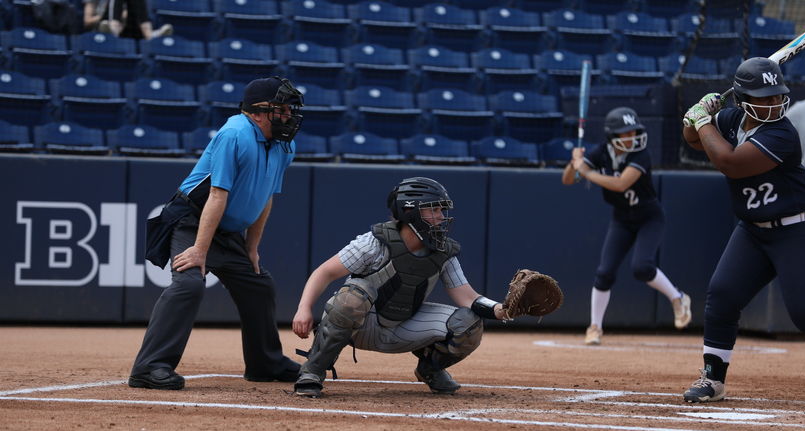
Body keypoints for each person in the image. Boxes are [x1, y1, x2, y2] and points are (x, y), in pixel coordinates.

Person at [681, 57, 805, 403]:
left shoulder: (782, 132)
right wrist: (696, 115)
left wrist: (702, 121)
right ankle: (713, 379)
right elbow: (694, 141)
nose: (773, 103)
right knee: (723, 294)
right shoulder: (732, 119)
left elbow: (730, 164)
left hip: (801, 227)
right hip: (754, 230)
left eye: (776, 95)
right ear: (742, 100)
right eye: (763, 97)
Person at [129, 76, 305, 390]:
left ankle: (265, 363)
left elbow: (265, 197)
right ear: (257, 113)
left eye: (289, 110)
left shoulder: (284, 145)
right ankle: (149, 368)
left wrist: (251, 248)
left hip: (227, 231)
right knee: (189, 285)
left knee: (258, 284)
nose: (288, 116)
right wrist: (199, 249)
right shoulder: (234, 133)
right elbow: (216, 195)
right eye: (281, 110)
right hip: (192, 221)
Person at [290, 177, 509, 398]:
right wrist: (304, 308)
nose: (442, 216)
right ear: (409, 211)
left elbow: (468, 297)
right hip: (361, 326)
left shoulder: (443, 250)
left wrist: (502, 309)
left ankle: (430, 369)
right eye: (433, 209)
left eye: (442, 210)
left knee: (469, 322)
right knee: (352, 296)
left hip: (405, 325)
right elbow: (324, 272)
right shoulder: (374, 242)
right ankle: (313, 370)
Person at [562, 107, 692, 346]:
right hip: (622, 219)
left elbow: (621, 184)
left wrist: (586, 172)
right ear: (613, 136)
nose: (632, 137)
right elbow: (568, 180)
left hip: (648, 217)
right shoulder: (601, 151)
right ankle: (594, 327)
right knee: (604, 272)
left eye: (634, 131)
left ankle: (678, 298)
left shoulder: (641, 154)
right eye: (625, 133)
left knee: (642, 267)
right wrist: (575, 163)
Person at [84, 0, 173, 39]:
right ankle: (112, 28)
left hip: (127, 27)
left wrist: (125, 14)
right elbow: (87, 21)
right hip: (102, 25)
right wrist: (103, 16)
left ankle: (149, 34)